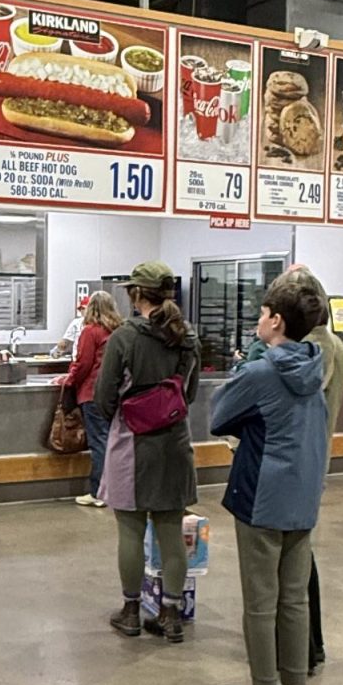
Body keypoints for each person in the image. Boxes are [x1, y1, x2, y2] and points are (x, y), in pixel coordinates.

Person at [210, 278, 327, 685]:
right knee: (294, 598)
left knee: (261, 602)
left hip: (262, 496)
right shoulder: (315, 370)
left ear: (276, 320)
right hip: (303, 496)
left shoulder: (260, 373)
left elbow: (219, 416)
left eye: (262, 313)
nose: (258, 320)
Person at [95, 262, 200, 644]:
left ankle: (131, 610)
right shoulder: (186, 336)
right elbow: (189, 393)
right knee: (171, 531)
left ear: (136, 293)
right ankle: (171, 614)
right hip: (174, 443)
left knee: (130, 529)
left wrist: (128, 414)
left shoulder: (124, 338)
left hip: (132, 445)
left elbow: (104, 397)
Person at [275, 266, 343, 674]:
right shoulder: (328, 345)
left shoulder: (314, 351)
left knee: (296, 565)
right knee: (300, 560)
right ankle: (308, 645)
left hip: (299, 466)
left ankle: (304, 648)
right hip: (311, 463)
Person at [65, 291, 122, 507]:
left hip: (91, 393)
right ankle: (115, 489)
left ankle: (99, 492)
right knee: (111, 442)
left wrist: (68, 379)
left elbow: (83, 364)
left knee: (99, 443)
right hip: (114, 393)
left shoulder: (90, 331)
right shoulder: (118, 331)